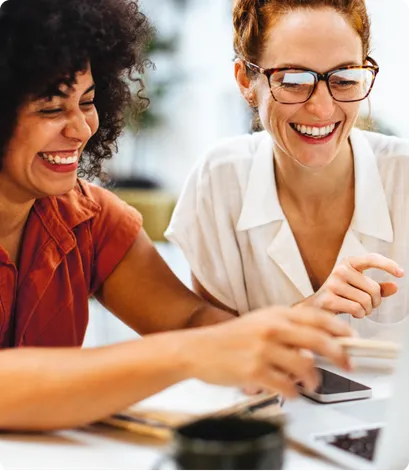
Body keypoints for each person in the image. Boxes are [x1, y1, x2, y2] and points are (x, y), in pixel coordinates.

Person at [0, 0, 353, 431]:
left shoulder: (89, 219)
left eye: (88, 102)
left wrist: (283, 328)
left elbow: (190, 321)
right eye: (51, 109)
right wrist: (188, 353)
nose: (80, 129)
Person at [166, 0, 409, 341]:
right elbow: (214, 354)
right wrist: (305, 316)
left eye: (344, 79)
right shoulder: (220, 180)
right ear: (245, 81)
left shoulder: (403, 176)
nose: (322, 108)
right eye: (293, 80)